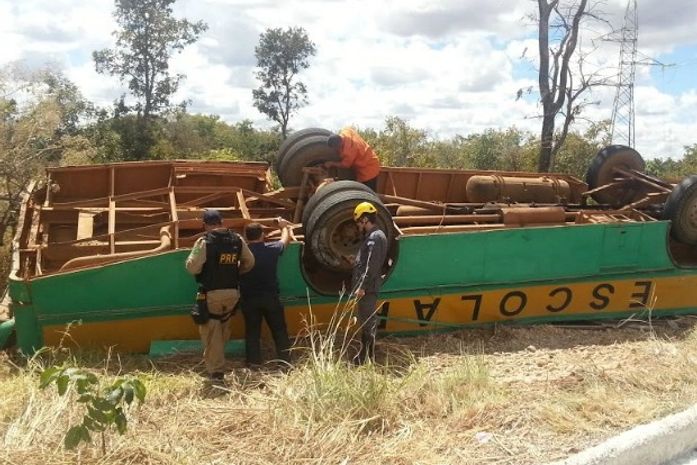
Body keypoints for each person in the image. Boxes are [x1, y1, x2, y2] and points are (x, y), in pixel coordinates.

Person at [185, 209, 255, 382]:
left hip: (212, 294)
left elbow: (191, 267)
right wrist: (237, 272)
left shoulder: (204, 242)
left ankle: (216, 372)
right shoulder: (237, 239)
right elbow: (250, 262)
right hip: (232, 293)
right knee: (223, 327)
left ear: (205, 224)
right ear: (222, 222)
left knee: (211, 331)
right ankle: (217, 360)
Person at [239, 218, 293, 369]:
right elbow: (284, 241)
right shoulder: (271, 249)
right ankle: (285, 361)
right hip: (270, 297)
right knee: (279, 330)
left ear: (246, 236)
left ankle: (254, 363)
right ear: (262, 235)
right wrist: (284, 227)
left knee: (252, 332)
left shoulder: (243, 254)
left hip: (249, 299)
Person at [351, 201, 388, 363]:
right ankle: (364, 355)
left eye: (359, 221)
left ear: (365, 219)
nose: (358, 225)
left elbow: (371, 266)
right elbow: (366, 261)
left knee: (368, 322)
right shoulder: (372, 237)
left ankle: (368, 357)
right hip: (366, 288)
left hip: (368, 289)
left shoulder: (376, 237)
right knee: (366, 321)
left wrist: (362, 286)